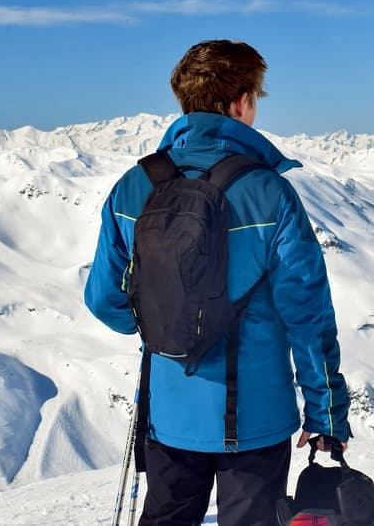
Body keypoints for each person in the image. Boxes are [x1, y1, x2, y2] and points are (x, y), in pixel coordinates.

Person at [84, 39, 350, 526]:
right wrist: (326, 413)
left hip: (168, 416)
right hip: (258, 422)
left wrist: (166, 324)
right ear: (242, 102)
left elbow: (104, 300)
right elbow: (307, 319)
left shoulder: (133, 186)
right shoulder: (270, 193)